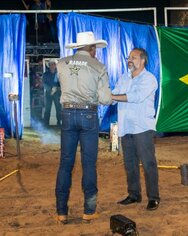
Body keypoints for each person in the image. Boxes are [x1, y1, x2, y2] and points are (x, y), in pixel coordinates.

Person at [55, 31, 112, 224]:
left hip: (67, 113)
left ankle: (61, 212)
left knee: (65, 164)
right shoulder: (98, 66)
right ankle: (88, 210)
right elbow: (105, 99)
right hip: (88, 115)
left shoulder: (62, 63)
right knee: (89, 164)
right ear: (93, 48)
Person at [111, 48, 160, 211]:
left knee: (148, 164)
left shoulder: (149, 79)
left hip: (142, 127)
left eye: (133, 57)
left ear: (143, 60)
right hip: (126, 127)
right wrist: (104, 96)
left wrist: (112, 97)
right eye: (128, 57)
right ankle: (134, 194)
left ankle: (153, 197)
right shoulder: (124, 77)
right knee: (130, 164)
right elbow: (114, 95)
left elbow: (136, 97)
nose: (129, 60)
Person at [43, 59, 61, 126]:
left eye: (53, 64)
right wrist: (50, 90)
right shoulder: (45, 74)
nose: (52, 66)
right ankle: (46, 124)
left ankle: (59, 123)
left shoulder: (59, 74)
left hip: (57, 94)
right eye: (51, 64)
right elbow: (44, 83)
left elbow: (62, 83)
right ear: (49, 65)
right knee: (47, 109)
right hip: (48, 93)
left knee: (58, 109)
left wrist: (57, 88)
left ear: (56, 65)